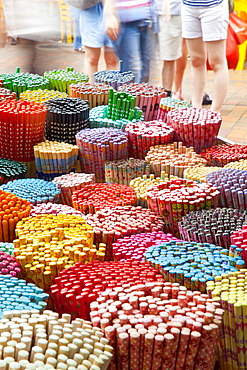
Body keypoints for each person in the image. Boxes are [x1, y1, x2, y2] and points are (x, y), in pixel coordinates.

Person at [181, 0, 229, 112]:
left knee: (216, 62)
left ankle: (214, 112)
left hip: (213, 7)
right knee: (196, 60)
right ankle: (195, 108)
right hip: (189, 6)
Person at [104, 0, 153, 83]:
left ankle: (138, 94)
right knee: (132, 69)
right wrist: (110, 14)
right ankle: (129, 95)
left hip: (146, 16)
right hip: (125, 19)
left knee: (145, 70)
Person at [80, 2, 118, 81]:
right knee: (91, 58)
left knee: (112, 59)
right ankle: (90, 91)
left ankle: (113, 91)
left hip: (115, 9)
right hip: (91, 9)